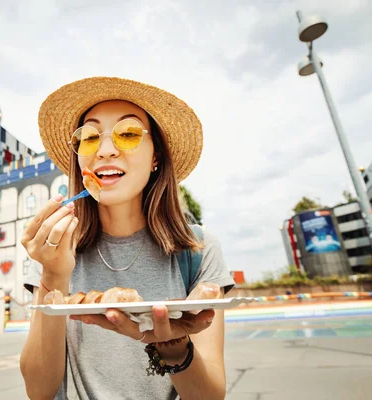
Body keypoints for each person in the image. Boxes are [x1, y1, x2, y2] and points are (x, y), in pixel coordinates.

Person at [20, 77, 235, 399]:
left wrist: (174, 351)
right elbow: (39, 390)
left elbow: (210, 395)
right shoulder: (54, 248)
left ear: (155, 158)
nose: (105, 150)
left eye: (129, 134)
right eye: (89, 138)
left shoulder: (198, 248)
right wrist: (54, 273)